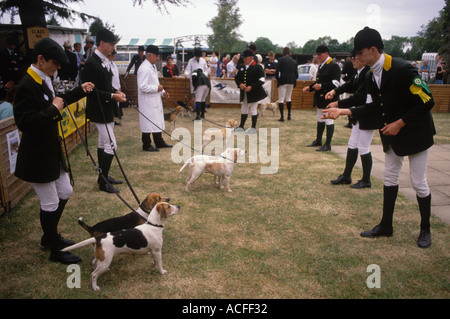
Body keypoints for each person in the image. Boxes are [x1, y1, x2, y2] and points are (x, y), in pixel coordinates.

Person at [322, 27, 436, 248]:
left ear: (373, 50)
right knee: (390, 178)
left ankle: (425, 229)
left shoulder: (403, 69)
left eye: (359, 53)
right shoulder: (371, 74)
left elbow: (427, 100)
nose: (355, 57)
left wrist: (401, 122)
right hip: (391, 134)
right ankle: (386, 226)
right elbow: (374, 107)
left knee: (418, 182)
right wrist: (343, 111)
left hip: (415, 133)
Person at [13, 38, 95, 264]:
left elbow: (58, 101)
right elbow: (25, 123)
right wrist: (52, 109)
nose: (58, 67)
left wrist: (80, 90)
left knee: (66, 191)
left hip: (51, 151)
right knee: (49, 203)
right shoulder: (27, 85)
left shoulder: (44, 79)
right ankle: (54, 248)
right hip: (37, 155)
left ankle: (50, 236)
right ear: (40, 59)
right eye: (55, 63)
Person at [82, 28, 126, 194]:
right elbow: (91, 91)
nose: (113, 48)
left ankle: (104, 177)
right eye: (111, 44)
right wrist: (112, 95)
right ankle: (103, 181)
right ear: (101, 43)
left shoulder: (104, 61)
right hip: (99, 109)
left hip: (106, 108)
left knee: (103, 143)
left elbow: (104, 85)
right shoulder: (92, 63)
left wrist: (116, 92)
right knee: (111, 144)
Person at [325, 56, 375, 189]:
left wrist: (338, 103)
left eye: (355, 58)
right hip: (359, 114)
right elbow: (349, 84)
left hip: (368, 115)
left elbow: (359, 97)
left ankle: (366, 180)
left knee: (364, 147)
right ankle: (347, 176)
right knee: (352, 144)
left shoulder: (368, 73)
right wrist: (335, 91)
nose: (352, 61)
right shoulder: (360, 73)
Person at [302, 45, 341, 151]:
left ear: (327, 53)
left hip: (329, 97)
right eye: (317, 54)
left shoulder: (333, 65)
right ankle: (318, 140)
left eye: (320, 54)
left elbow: (336, 82)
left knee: (328, 120)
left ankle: (327, 144)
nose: (318, 56)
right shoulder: (322, 65)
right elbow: (319, 81)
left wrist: (322, 86)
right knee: (320, 119)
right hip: (320, 97)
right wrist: (310, 87)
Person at [138, 45, 172, 152]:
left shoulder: (152, 67)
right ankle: (146, 144)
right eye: (157, 56)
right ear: (150, 55)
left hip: (154, 99)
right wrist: (157, 88)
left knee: (156, 120)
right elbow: (143, 87)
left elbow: (156, 84)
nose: (158, 58)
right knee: (148, 123)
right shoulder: (144, 68)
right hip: (147, 101)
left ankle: (159, 142)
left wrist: (163, 93)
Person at [234, 49, 267, 134]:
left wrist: (252, 87)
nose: (244, 59)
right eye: (243, 58)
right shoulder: (241, 67)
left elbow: (262, 80)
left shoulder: (258, 67)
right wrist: (240, 84)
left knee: (253, 109)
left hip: (254, 92)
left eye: (245, 58)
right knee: (243, 109)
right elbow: (237, 78)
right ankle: (241, 126)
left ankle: (253, 128)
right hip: (244, 93)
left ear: (251, 58)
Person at [276, 47, 298, 121]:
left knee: (281, 99)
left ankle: (282, 117)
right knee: (288, 98)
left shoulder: (280, 60)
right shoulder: (294, 61)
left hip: (283, 80)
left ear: (283, 53)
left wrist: (278, 79)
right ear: (289, 53)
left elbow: (277, 72)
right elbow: (296, 75)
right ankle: (289, 115)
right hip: (291, 81)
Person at [109, 50, 123, 126]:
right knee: (112, 104)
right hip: (111, 87)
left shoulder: (114, 64)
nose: (114, 57)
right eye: (113, 55)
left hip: (117, 87)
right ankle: (112, 119)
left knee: (117, 105)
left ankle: (114, 119)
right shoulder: (107, 65)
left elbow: (117, 78)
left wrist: (119, 87)